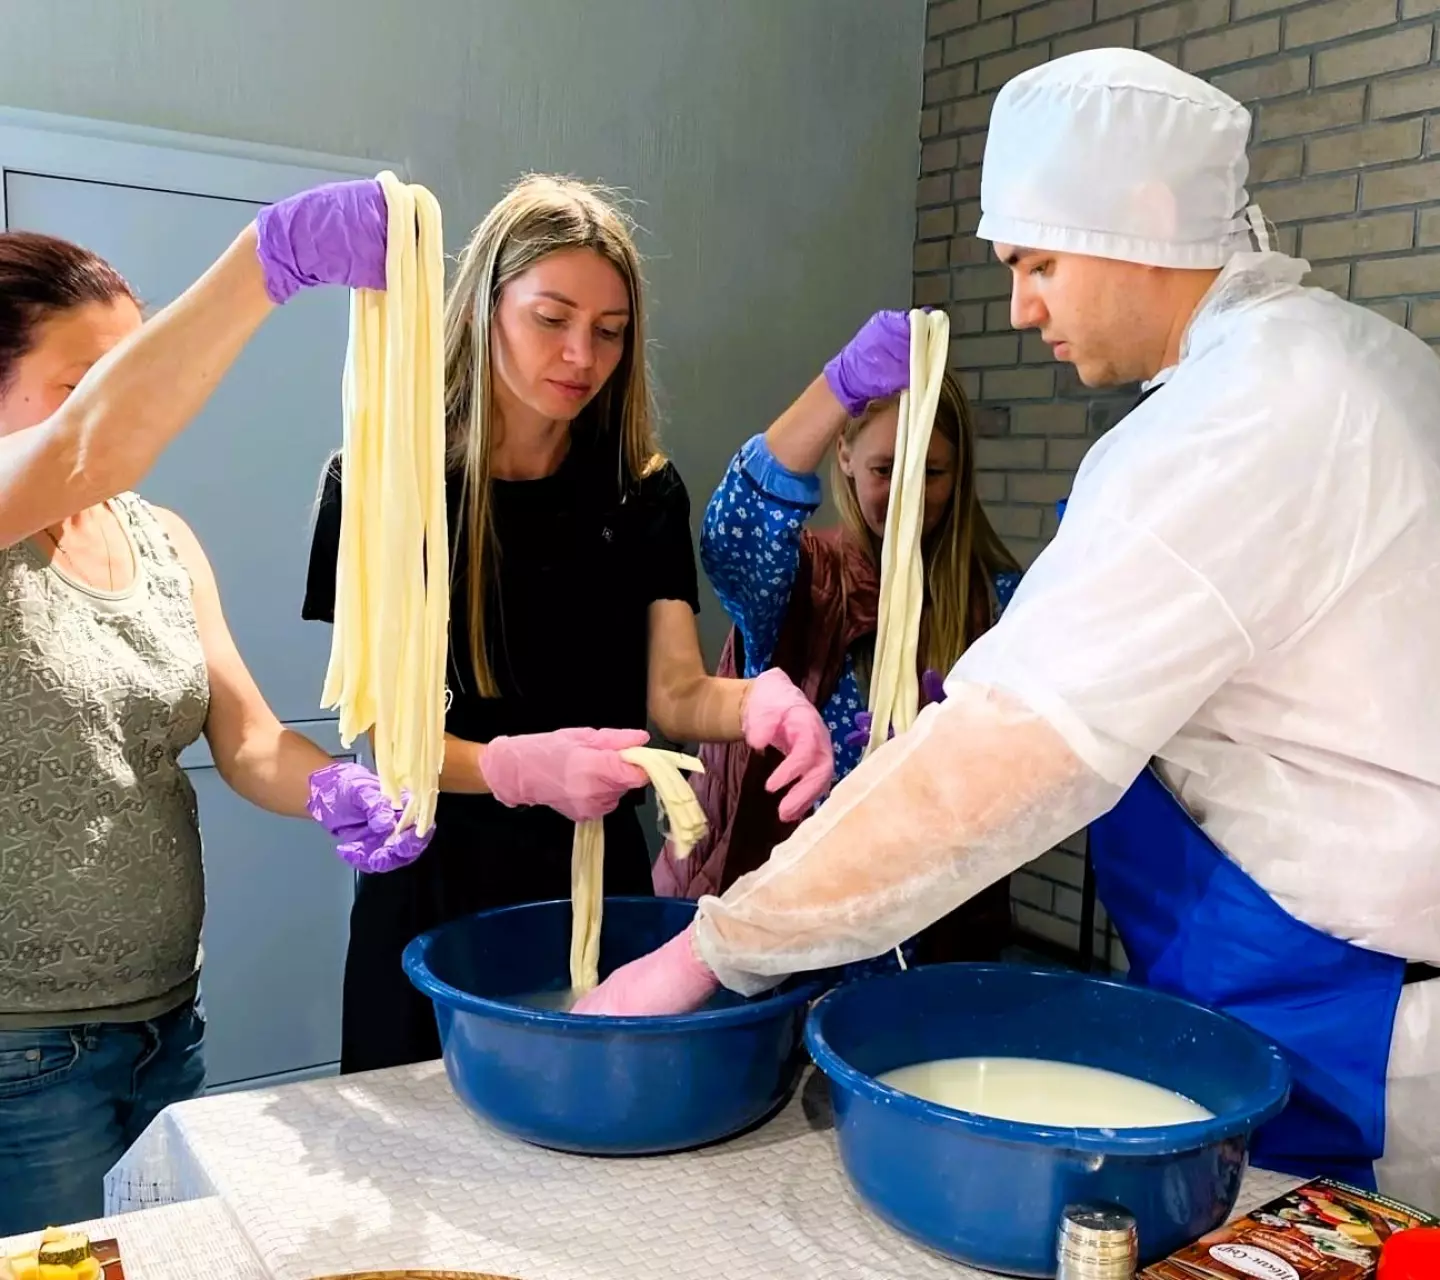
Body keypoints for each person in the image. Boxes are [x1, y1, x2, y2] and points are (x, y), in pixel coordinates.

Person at [573, 49, 1440, 1274]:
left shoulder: (1234, 421)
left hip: (1354, 1040)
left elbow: (994, 760)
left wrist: (704, 952)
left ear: (1139, 223)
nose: (1020, 308)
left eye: (1036, 263)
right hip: (1380, 1000)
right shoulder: (1355, 358)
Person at [301, 174, 833, 1074]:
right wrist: (515, 768)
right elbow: (392, 742)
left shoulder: (641, 492)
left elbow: (675, 693)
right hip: (436, 885)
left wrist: (757, 705)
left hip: (593, 883)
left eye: (610, 331)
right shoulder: (382, 486)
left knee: (593, 1117)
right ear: (486, 307)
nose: (582, 355)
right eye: (552, 319)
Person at [0, 206, 424, 1231]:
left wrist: (331, 785)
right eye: (85, 382)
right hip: (22, 1053)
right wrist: (263, 264)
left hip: (165, 1020)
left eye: (135, 370)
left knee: (163, 1257)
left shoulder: (161, 539)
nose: (126, 407)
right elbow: (84, 446)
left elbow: (244, 736)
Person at [659, 333, 1020, 969]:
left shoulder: (995, 599)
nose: (907, 495)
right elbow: (732, 538)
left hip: (925, 931)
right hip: (779, 920)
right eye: (886, 469)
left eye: (931, 472)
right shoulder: (804, 581)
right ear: (845, 455)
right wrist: (837, 388)